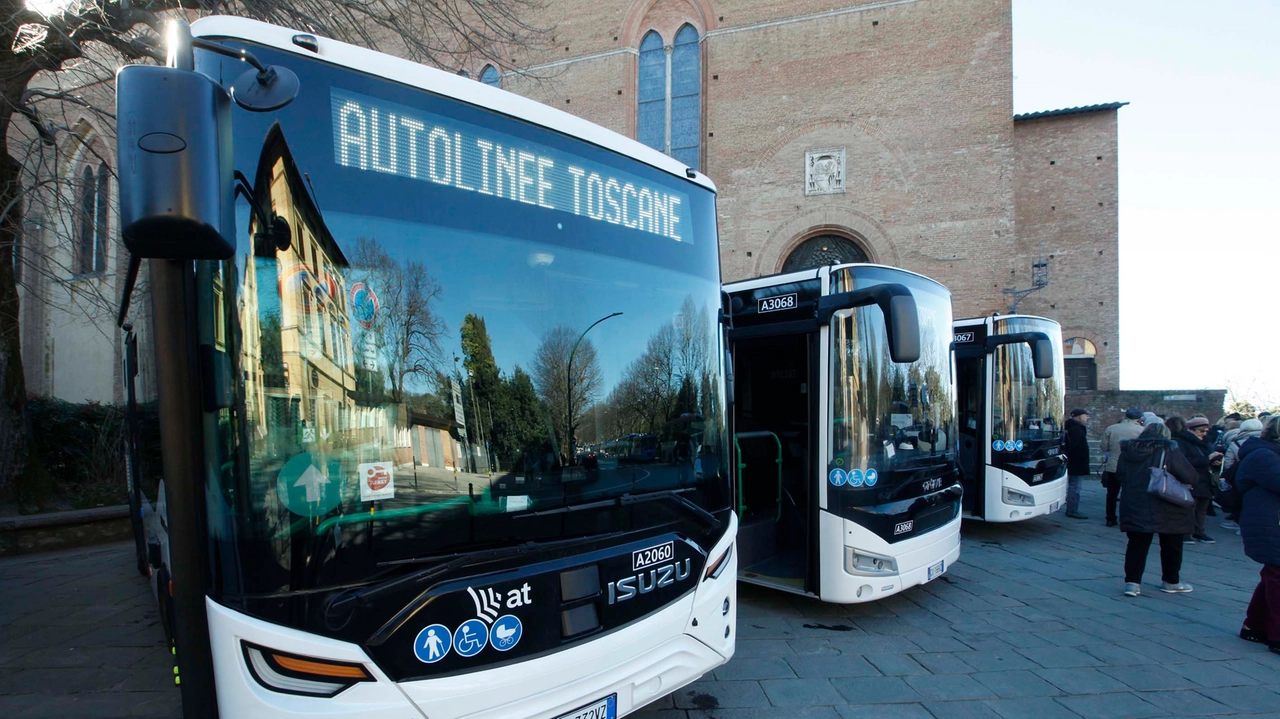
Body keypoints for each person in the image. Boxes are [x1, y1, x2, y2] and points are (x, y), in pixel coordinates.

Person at [1116, 421, 1199, 595]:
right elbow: (1189, 475)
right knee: (1171, 545)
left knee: (1137, 544)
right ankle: (1170, 581)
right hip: (1166, 503)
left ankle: (1132, 583)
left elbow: (1120, 475)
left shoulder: (1127, 452)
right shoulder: (1169, 450)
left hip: (1135, 501)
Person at [1235, 415, 1280, 654]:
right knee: (1277, 574)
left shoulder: (1268, 453)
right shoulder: (1264, 456)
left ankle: (1255, 625)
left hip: (1270, 521)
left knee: (1273, 574)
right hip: (1269, 524)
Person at [1168, 416, 1220, 543]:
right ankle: (1185, 532)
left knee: (1202, 508)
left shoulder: (1206, 442)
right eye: (1201, 431)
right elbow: (1184, 461)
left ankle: (1199, 531)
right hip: (1191, 477)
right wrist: (1207, 459)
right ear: (1191, 430)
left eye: (1206, 431)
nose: (1204, 434)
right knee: (1190, 507)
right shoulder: (1182, 442)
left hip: (1206, 478)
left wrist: (1215, 462)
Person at [1100, 408, 1145, 527]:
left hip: (1113, 465)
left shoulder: (1111, 428)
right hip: (1132, 467)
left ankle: (1110, 518)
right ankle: (1129, 518)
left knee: (1111, 494)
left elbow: (1104, 447)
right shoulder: (1142, 430)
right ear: (1139, 418)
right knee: (1131, 493)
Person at [1063, 408, 1091, 519]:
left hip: (1075, 461)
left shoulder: (1071, 427)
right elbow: (1074, 447)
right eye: (1086, 415)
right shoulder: (1076, 429)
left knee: (1074, 486)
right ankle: (1072, 509)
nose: (1087, 417)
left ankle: (1072, 508)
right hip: (1077, 462)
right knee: (1075, 487)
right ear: (1079, 416)